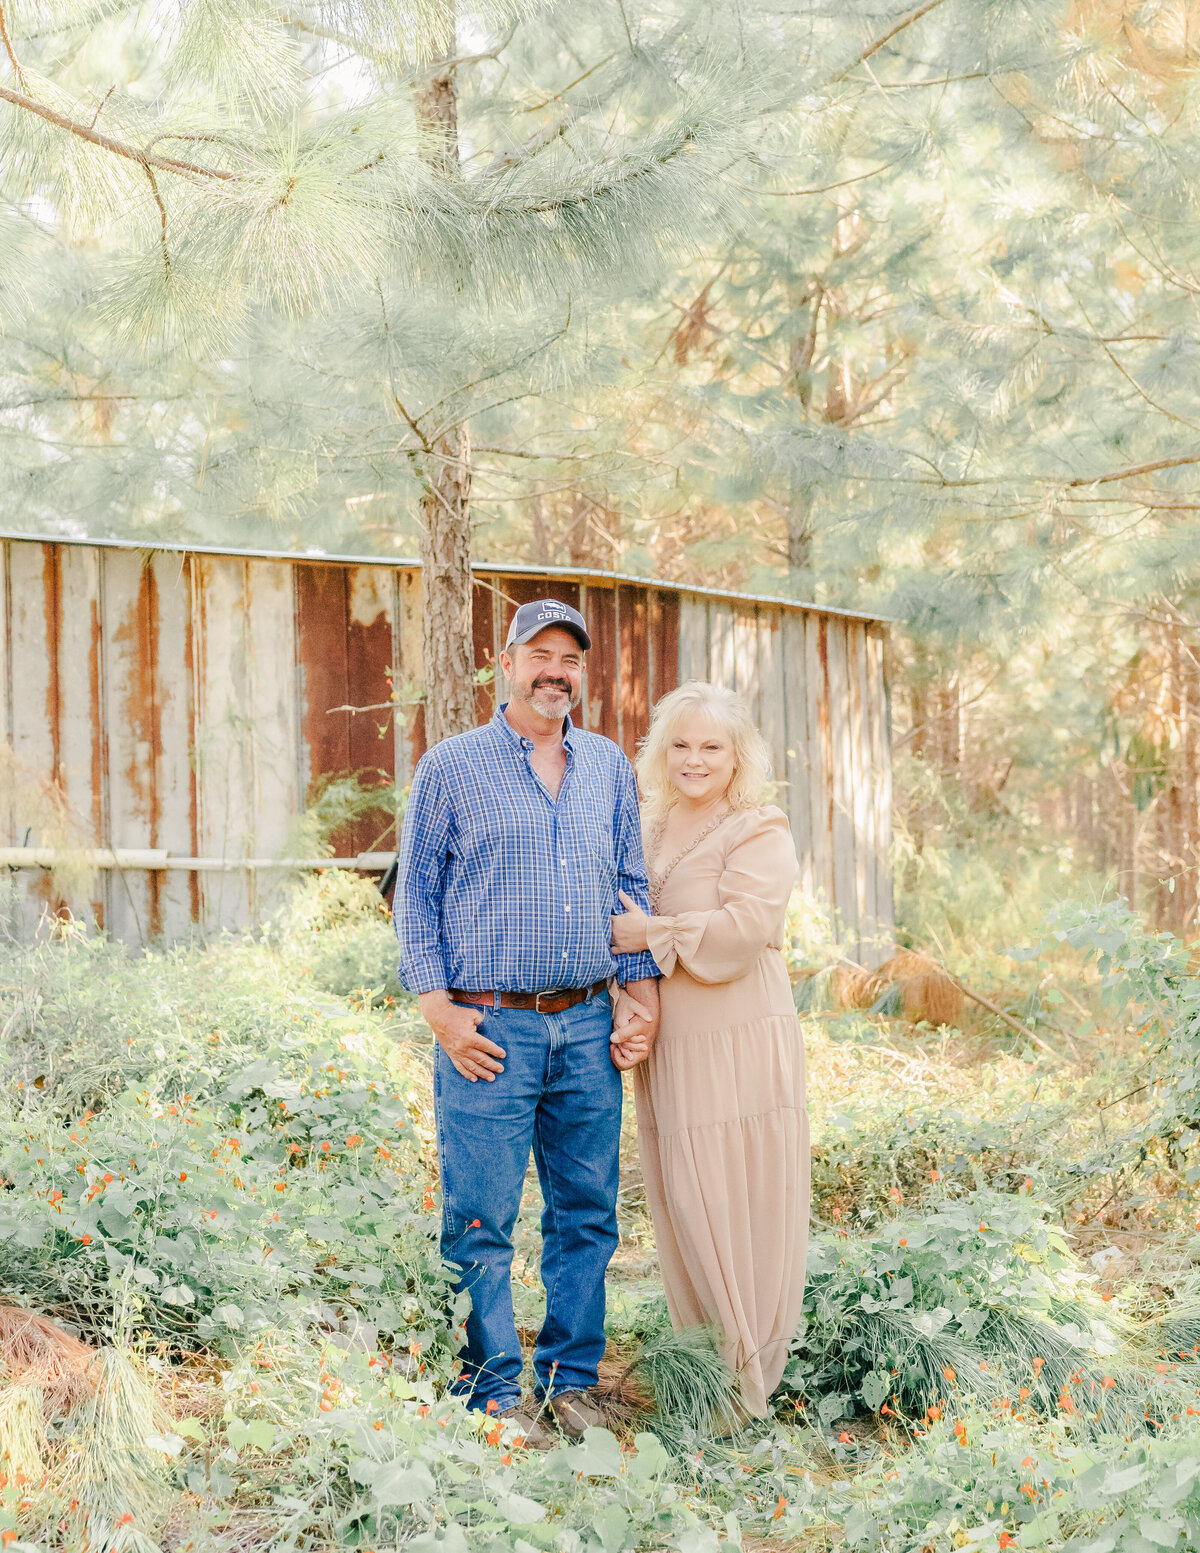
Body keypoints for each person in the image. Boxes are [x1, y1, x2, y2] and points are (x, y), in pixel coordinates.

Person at [396, 597, 660, 1448]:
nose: (556, 670)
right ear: (503, 661)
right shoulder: (451, 767)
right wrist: (440, 1012)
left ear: (583, 672)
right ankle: (492, 1392)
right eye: (540, 653)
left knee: (586, 1212)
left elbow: (632, 889)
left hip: (586, 1024)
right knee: (481, 1215)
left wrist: (638, 994)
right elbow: (417, 897)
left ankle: (572, 1381)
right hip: (490, 1030)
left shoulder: (609, 766)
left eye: (571, 658)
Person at [610, 681, 809, 1420]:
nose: (694, 759)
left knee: (732, 1187)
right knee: (684, 1192)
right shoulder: (648, 821)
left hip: (737, 1027)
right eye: (681, 744)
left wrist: (653, 935)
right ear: (663, 750)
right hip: (674, 1035)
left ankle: (747, 1372)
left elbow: (743, 929)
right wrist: (630, 995)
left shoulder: (759, 825)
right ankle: (706, 1360)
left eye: (712, 746)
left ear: (738, 755)